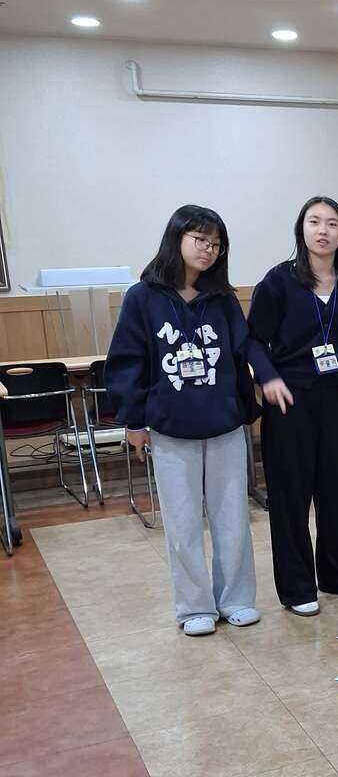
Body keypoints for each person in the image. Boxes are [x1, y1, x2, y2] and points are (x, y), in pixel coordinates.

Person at [106, 205, 259, 636]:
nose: (208, 249)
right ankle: (194, 607)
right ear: (177, 239)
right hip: (170, 428)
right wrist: (134, 421)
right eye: (200, 240)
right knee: (183, 522)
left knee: (232, 518)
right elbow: (127, 363)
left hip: (225, 425)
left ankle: (236, 599)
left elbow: (241, 354)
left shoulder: (223, 299)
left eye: (216, 244)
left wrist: (251, 405)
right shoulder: (142, 297)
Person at [247, 195, 338, 614]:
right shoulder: (279, 281)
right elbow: (253, 340)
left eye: (332, 224)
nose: (322, 230)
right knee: (291, 495)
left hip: (336, 397)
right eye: (314, 222)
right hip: (289, 399)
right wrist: (268, 377)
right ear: (301, 229)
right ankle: (297, 588)